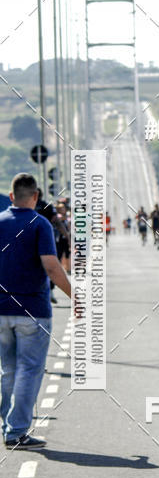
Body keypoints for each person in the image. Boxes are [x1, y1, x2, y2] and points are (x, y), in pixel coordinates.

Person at [0, 173, 71, 449]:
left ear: (11, 196)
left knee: (8, 370)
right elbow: (51, 266)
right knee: (29, 369)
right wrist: (75, 297)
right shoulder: (39, 224)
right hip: (33, 310)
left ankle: (9, 425)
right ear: (36, 197)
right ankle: (16, 432)